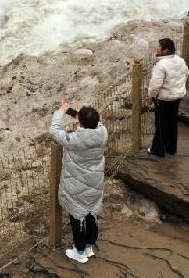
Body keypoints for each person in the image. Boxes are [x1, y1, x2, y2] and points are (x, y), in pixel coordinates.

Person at [50, 102, 108, 264]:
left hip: (77, 187)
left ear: (81, 123)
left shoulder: (74, 139)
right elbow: (95, 123)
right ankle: (89, 246)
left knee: (77, 217)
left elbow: (54, 131)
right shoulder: (102, 133)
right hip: (94, 184)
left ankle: (80, 252)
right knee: (92, 214)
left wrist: (61, 111)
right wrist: (78, 115)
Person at [147, 38, 188, 157]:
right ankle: (171, 148)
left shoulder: (161, 65)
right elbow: (186, 74)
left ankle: (158, 150)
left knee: (161, 125)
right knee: (172, 123)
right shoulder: (180, 60)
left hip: (163, 99)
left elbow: (155, 85)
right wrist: (179, 89)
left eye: (159, 46)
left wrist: (152, 96)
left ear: (165, 50)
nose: (157, 48)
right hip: (177, 97)